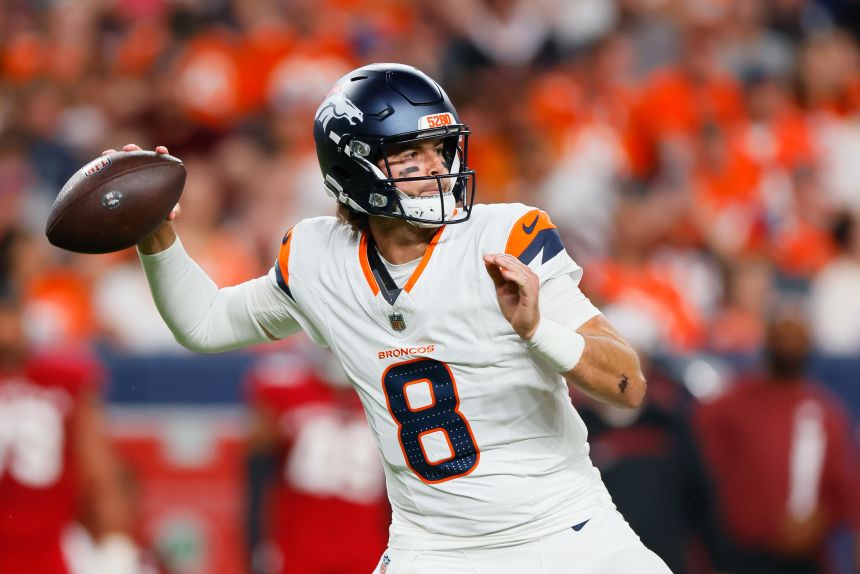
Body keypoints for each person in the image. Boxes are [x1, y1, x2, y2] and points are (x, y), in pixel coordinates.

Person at [110, 63, 670, 573]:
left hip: (568, 530)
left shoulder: (504, 236)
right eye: (410, 154)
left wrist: (536, 330)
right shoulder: (316, 259)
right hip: (434, 550)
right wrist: (157, 235)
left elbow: (627, 383)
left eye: (440, 149)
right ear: (352, 168)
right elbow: (205, 323)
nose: (436, 168)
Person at [696, 302, 860, 574]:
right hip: (740, 555)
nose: (790, 345)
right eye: (783, 336)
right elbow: (700, 476)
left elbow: (845, 491)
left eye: (798, 337)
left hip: (803, 559)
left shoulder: (828, 414)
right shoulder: (729, 406)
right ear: (768, 339)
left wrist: (822, 518)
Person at [0, 283, 140, 573]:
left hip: (49, 546)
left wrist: (115, 539)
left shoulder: (64, 379)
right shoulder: (64, 379)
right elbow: (99, 472)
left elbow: (99, 470)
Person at [244, 349, 389, 574]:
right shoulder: (286, 392)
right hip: (300, 551)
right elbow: (257, 474)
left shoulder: (385, 400)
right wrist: (257, 541)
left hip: (366, 551)